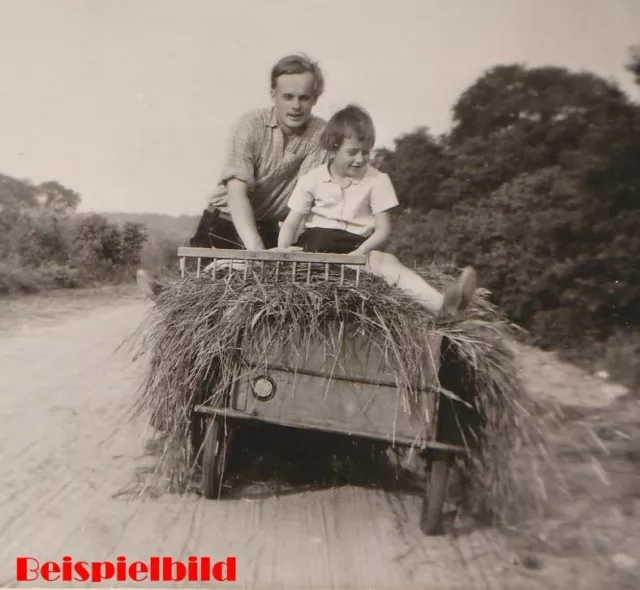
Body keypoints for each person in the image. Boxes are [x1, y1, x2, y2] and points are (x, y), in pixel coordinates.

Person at [136, 52, 329, 298]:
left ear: (315, 99)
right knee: (194, 298)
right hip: (224, 222)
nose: (295, 106)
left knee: (268, 302)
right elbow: (236, 193)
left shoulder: (321, 135)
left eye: (304, 98)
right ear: (273, 95)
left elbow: (306, 196)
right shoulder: (251, 124)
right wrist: (257, 252)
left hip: (270, 227)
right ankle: (165, 294)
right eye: (288, 97)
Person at [278, 104, 477, 317]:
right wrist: (283, 248)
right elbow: (291, 222)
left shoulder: (377, 180)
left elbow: (382, 229)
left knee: (388, 263)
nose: (360, 159)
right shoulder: (312, 179)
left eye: (366, 153)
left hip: (355, 246)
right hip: (314, 246)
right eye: (352, 152)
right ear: (333, 149)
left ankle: (442, 306)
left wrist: (361, 252)